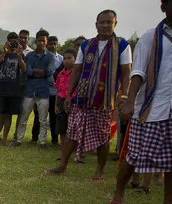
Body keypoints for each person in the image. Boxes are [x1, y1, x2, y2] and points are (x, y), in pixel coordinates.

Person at [47, 10, 132, 181]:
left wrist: (125, 96)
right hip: (82, 97)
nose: (106, 25)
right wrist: (70, 94)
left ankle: (99, 171)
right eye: (102, 22)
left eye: (109, 22)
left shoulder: (122, 45)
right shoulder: (87, 45)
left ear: (115, 24)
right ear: (96, 24)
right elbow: (77, 69)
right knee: (72, 132)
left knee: (102, 136)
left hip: (105, 100)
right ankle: (62, 164)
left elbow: (126, 72)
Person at [111, 0, 172, 204]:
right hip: (151, 108)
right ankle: (118, 193)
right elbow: (137, 71)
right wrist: (129, 101)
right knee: (134, 155)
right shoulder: (151, 37)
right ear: (164, 7)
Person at [15, 30, 54, 148]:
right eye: (39, 40)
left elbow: (49, 72)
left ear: (46, 42)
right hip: (30, 90)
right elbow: (27, 71)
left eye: (43, 41)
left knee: (43, 119)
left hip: (43, 91)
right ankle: (18, 140)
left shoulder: (50, 56)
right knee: (24, 116)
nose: (41, 43)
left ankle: (42, 142)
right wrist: (39, 71)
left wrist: (36, 71)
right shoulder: (30, 55)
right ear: (35, 41)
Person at [0, 34, 26, 145]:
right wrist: (4, 52)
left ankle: (4, 139)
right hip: (1, 89)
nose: (12, 44)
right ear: (7, 42)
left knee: (8, 115)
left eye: (15, 42)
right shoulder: (2, 53)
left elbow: (24, 69)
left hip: (13, 90)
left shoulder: (20, 55)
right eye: (11, 42)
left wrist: (19, 55)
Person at [54, 49, 78, 147]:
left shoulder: (78, 73)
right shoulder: (60, 74)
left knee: (73, 126)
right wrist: (56, 104)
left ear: (75, 59)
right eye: (65, 58)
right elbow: (58, 90)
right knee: (62, 125)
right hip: (61, 101)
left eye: (69, 58)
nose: (67, 61)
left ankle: (75, 147)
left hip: (74, 101)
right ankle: (63, 146)